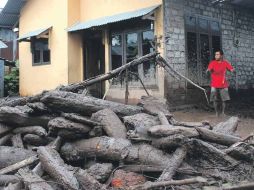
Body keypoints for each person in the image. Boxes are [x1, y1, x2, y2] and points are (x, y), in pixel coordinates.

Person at [207, 50, 234, 117]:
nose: (216, 56)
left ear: (221, 55)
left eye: (217, 54)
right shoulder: (212, 63)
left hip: (223, 84)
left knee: (224, 99)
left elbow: (231, 69)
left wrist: (232, 71)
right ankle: (216, 113)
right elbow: (209, 69)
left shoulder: (225, 63)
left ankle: (223, 113)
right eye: (215, 54)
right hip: (214, 84)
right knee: (214, 99)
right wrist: (208, 71)